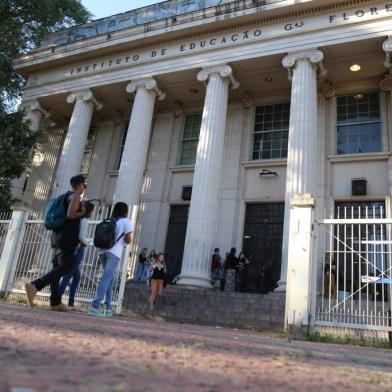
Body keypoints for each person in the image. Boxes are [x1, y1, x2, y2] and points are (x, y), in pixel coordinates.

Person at [25, 175, 87, 311]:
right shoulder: (76, 196)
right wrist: (83, 212)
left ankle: (55, 302)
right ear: (80, 185)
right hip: (66, 239)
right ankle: (35, 285)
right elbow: (70, 215)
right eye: (84, 185)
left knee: (56, 269)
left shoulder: (64, 196)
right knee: (67, 266)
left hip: (56, 236)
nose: (84, 188)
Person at [89, 202, 133, 317]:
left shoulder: (110, 220)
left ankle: (108, 308)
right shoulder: (125, 221)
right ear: (125, 211)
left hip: (102, 251)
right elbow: (128, 240)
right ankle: (95, 306)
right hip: (114, 253)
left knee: (110, 279)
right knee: (107, 278)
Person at [58, 200, 95, 308]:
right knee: (68, 275)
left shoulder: (76, 218)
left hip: (72, 248)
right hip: (78, 249)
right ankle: (57, 298)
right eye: (92, 211)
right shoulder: (84, 220)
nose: (92, 213)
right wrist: (87, 243)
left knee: (76, 277)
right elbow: (81, 237)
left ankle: (71, 302)